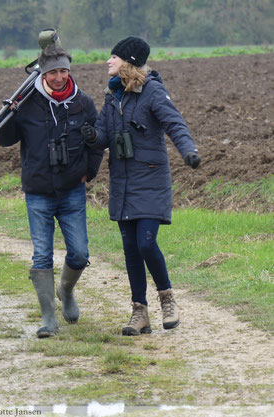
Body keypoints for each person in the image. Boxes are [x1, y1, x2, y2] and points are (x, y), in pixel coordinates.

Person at [82, 36, 201, 336]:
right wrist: (91, 137)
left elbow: (176, 124)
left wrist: (188, 151)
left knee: (146, 243)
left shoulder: (153, 92)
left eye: (114, 57)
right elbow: (103, 135)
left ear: (129, 62)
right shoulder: (113, 98)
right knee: (131, 249)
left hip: (150, 180)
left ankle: (168, 299)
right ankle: (140, 312)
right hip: (122, 184)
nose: (108, 61)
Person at [0, 44, 103, 338]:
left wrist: (88, 173)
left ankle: (65, 291)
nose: (58, 77)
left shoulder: (83, 103)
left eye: (63, 71)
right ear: (43, 73)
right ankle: (48, 319)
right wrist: (9, 111)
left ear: (69, 71)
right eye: (53, 72)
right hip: (38, 192)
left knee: (79, 253)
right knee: (41, 255)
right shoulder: (28, 103)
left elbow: (97, 143)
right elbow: (4, 140)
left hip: (72, 190)